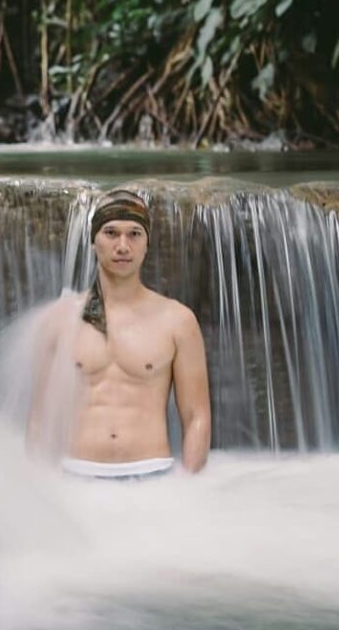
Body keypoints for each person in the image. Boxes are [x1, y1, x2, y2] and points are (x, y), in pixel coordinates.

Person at [27, 189, 211, 478]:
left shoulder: (177, 321)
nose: (123, 246)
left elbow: (196, 416)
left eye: (134, 234)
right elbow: (40, 419)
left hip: (153, 478)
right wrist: (44, 489)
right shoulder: (59, 320)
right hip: (75, 478)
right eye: (111, 233)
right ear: (93, 240)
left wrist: (186, 489)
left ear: (147, 243)